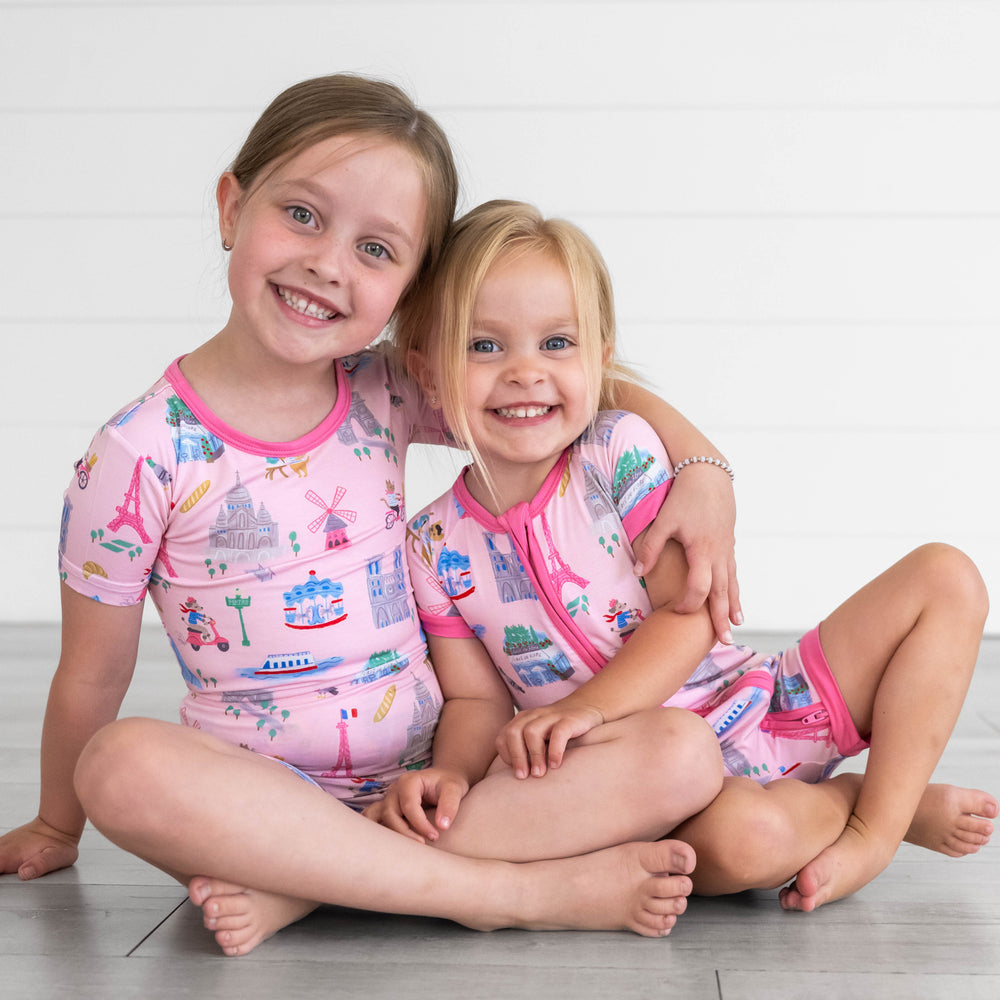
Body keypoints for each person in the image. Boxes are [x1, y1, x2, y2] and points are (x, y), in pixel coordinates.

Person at [0, 75, 742, 955]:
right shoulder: (135, 456)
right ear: (232, 205)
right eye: (304, 215)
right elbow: (90, 674)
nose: (329, 265)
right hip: (254, 797)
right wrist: (58, 823)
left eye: (378, 250)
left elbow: (570, 388)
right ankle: (513, 895)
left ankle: (318, 887)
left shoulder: (386, 386)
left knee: (680, 754)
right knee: (118, 768)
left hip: (444, 779)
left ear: (413, 292)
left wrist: (704, 471)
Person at [375, 198, 997, 913]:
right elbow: (476, 697)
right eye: (484, 346)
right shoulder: (430, 544)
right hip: (660, 781)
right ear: (426, 375)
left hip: (767, 705)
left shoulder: (617, 451)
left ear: (601, 358)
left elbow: (690, 613)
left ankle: (878, 828)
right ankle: (848, 800)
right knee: (749, 844)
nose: (524, 372)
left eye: (556, 343)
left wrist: (587, 709)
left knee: (947, 577)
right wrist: (452, 772)